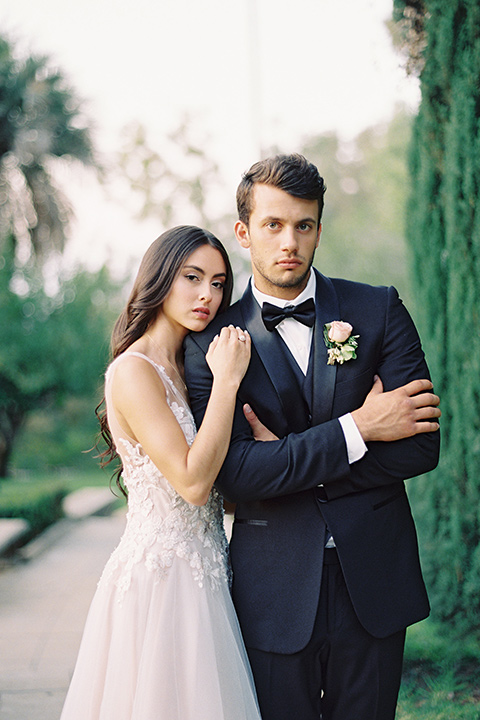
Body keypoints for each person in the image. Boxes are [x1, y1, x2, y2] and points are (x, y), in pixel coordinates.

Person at [183, 154, 441, 720]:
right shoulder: (209, 345)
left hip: (373, 579)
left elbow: (422, 444)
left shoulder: (378, 309)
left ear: (320, 228)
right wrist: (361, 429)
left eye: (304, 225)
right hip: (271, 587)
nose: (290, 243)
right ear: (244, 232)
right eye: (273, 226)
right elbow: (233, 474)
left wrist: (287, 461)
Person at [60, 226, 262, 720]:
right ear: (159, 278)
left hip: (209, 571)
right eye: (192, 277)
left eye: (218, 283)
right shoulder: (134, 371)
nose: (207, 296)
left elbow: (218, 491)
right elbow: (193, 485)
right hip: (163, 581)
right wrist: (228, 382)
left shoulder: (187, 366)